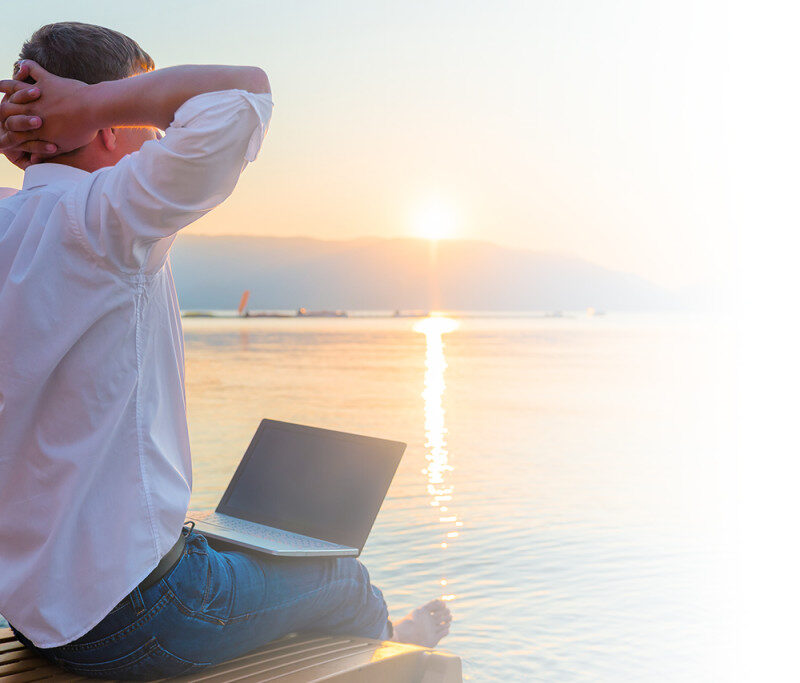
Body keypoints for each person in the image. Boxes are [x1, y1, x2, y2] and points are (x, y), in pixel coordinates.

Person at [0, 22, 451, 680]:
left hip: (38, 612)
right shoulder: (111, 220)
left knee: (221, 537)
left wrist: (44, 127)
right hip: (137, 620)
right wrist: (95, 105)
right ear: (101, 125)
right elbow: (246, 93)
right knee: (339, 574)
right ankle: (396, 637)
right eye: (140, 114)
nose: (154, 130)